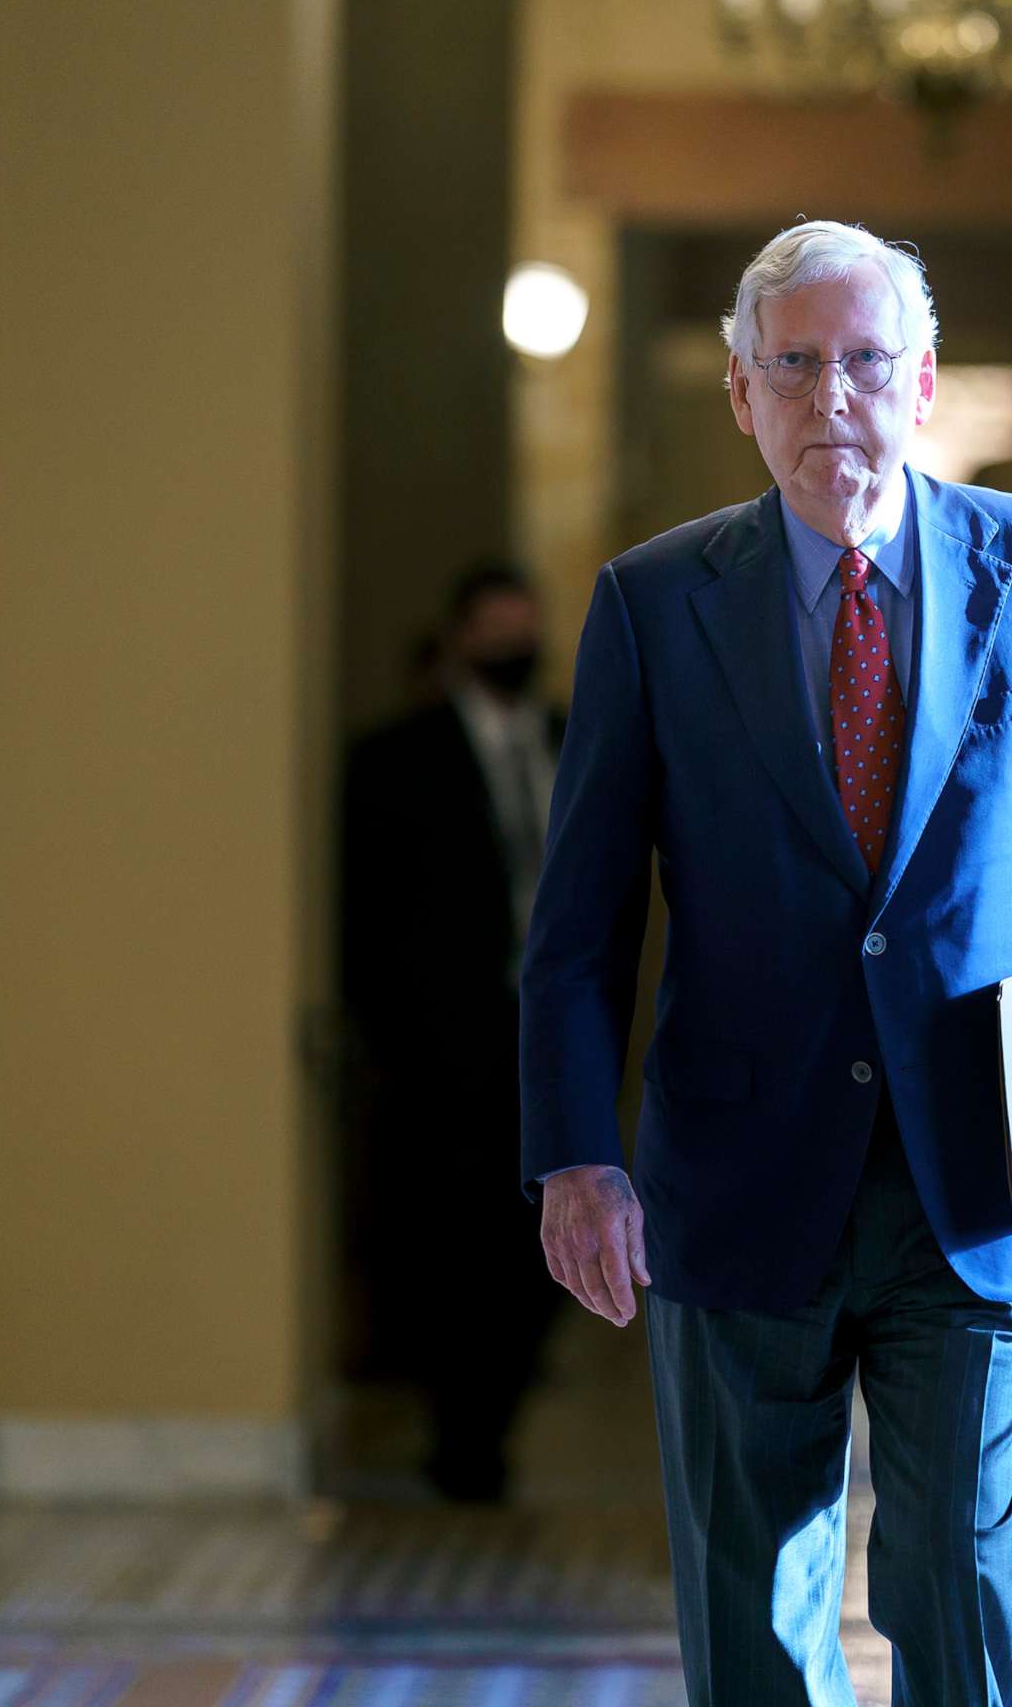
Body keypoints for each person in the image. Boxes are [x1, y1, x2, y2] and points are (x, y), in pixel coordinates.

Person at [519, 219, 1012, 1702]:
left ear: (926, 382)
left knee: (966, 1585)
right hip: (738, 1173)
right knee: (753, 1613)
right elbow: (576, 929)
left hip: (988, 1171)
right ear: (741, 398)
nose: (836, 398)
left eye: (868, 362)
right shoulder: (653, 604)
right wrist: (576, 1158)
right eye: (797, 365)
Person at [339, 563, 566, 1501]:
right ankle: (464, 1440)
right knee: (451, 1240)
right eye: (498, 630)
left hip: (554, 1034)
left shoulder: (571, 737)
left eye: (528, 628)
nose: (516, 648)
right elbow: (365, 912)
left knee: (551, 1235)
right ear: (462, 637)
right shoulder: (398, 757)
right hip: (448, 1044)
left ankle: (501, 1407)